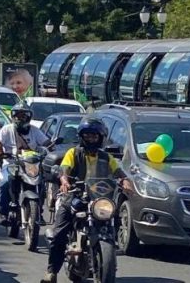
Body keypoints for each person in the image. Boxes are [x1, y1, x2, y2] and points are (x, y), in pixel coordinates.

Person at [43, 118, 133, 283]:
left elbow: (118, 171)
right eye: (87, 136)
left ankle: (108, 253)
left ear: (101, 137)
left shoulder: (106, 157)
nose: (91, 139)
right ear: (81, 137)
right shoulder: (74, 153)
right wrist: (64, 180)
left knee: (112, 218)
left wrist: (125, 181)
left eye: (94, 136)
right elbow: (64, 168)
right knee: (59, 234)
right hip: (75, 196)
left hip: (99, 199)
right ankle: (51, 272)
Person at [0, 102, 49, 225]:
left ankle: (38, 212)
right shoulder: (6, 129)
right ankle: (3, 212)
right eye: (18, 115)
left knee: (41, 183)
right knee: (4, 182)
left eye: (23, 115)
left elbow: (46, 143)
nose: (20, 118)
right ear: (13, 116)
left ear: (28, 117)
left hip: (31, 165)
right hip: (11, 163)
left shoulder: (35, 131)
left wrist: (50, 149)